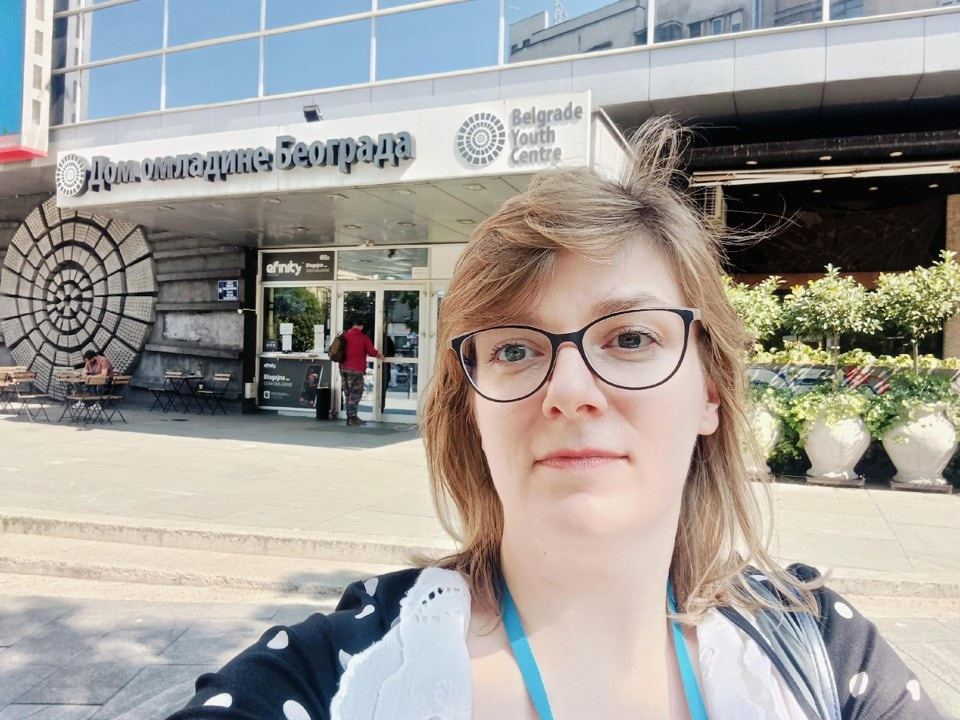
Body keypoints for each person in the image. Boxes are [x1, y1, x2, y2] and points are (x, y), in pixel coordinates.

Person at [165, 119, 940, 719]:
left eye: (631, 338)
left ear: (710, 390)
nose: (569, 390)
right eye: (512, 350)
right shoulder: (334, 675)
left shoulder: (821, 647)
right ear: (468, 408)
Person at [340, 317, 379, 426]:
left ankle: (349, 417)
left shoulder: (344, 336)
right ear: (361, 326)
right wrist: (380, 356)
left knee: (347, 393)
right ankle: (353, 418)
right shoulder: (363, 338)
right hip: (356, 370)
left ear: (353, 325)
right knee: (355, 394)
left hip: (343, 368)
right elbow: (372, 352)